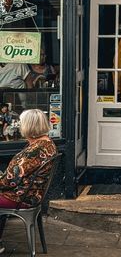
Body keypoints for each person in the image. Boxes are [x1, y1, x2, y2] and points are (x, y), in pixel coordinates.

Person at [0, 109, 57, 254]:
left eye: (22, 122)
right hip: (32, 193)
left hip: (21, 196)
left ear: (29, 126)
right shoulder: (48, 143)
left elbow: (8, 182)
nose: (19, 125)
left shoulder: (33, 151)